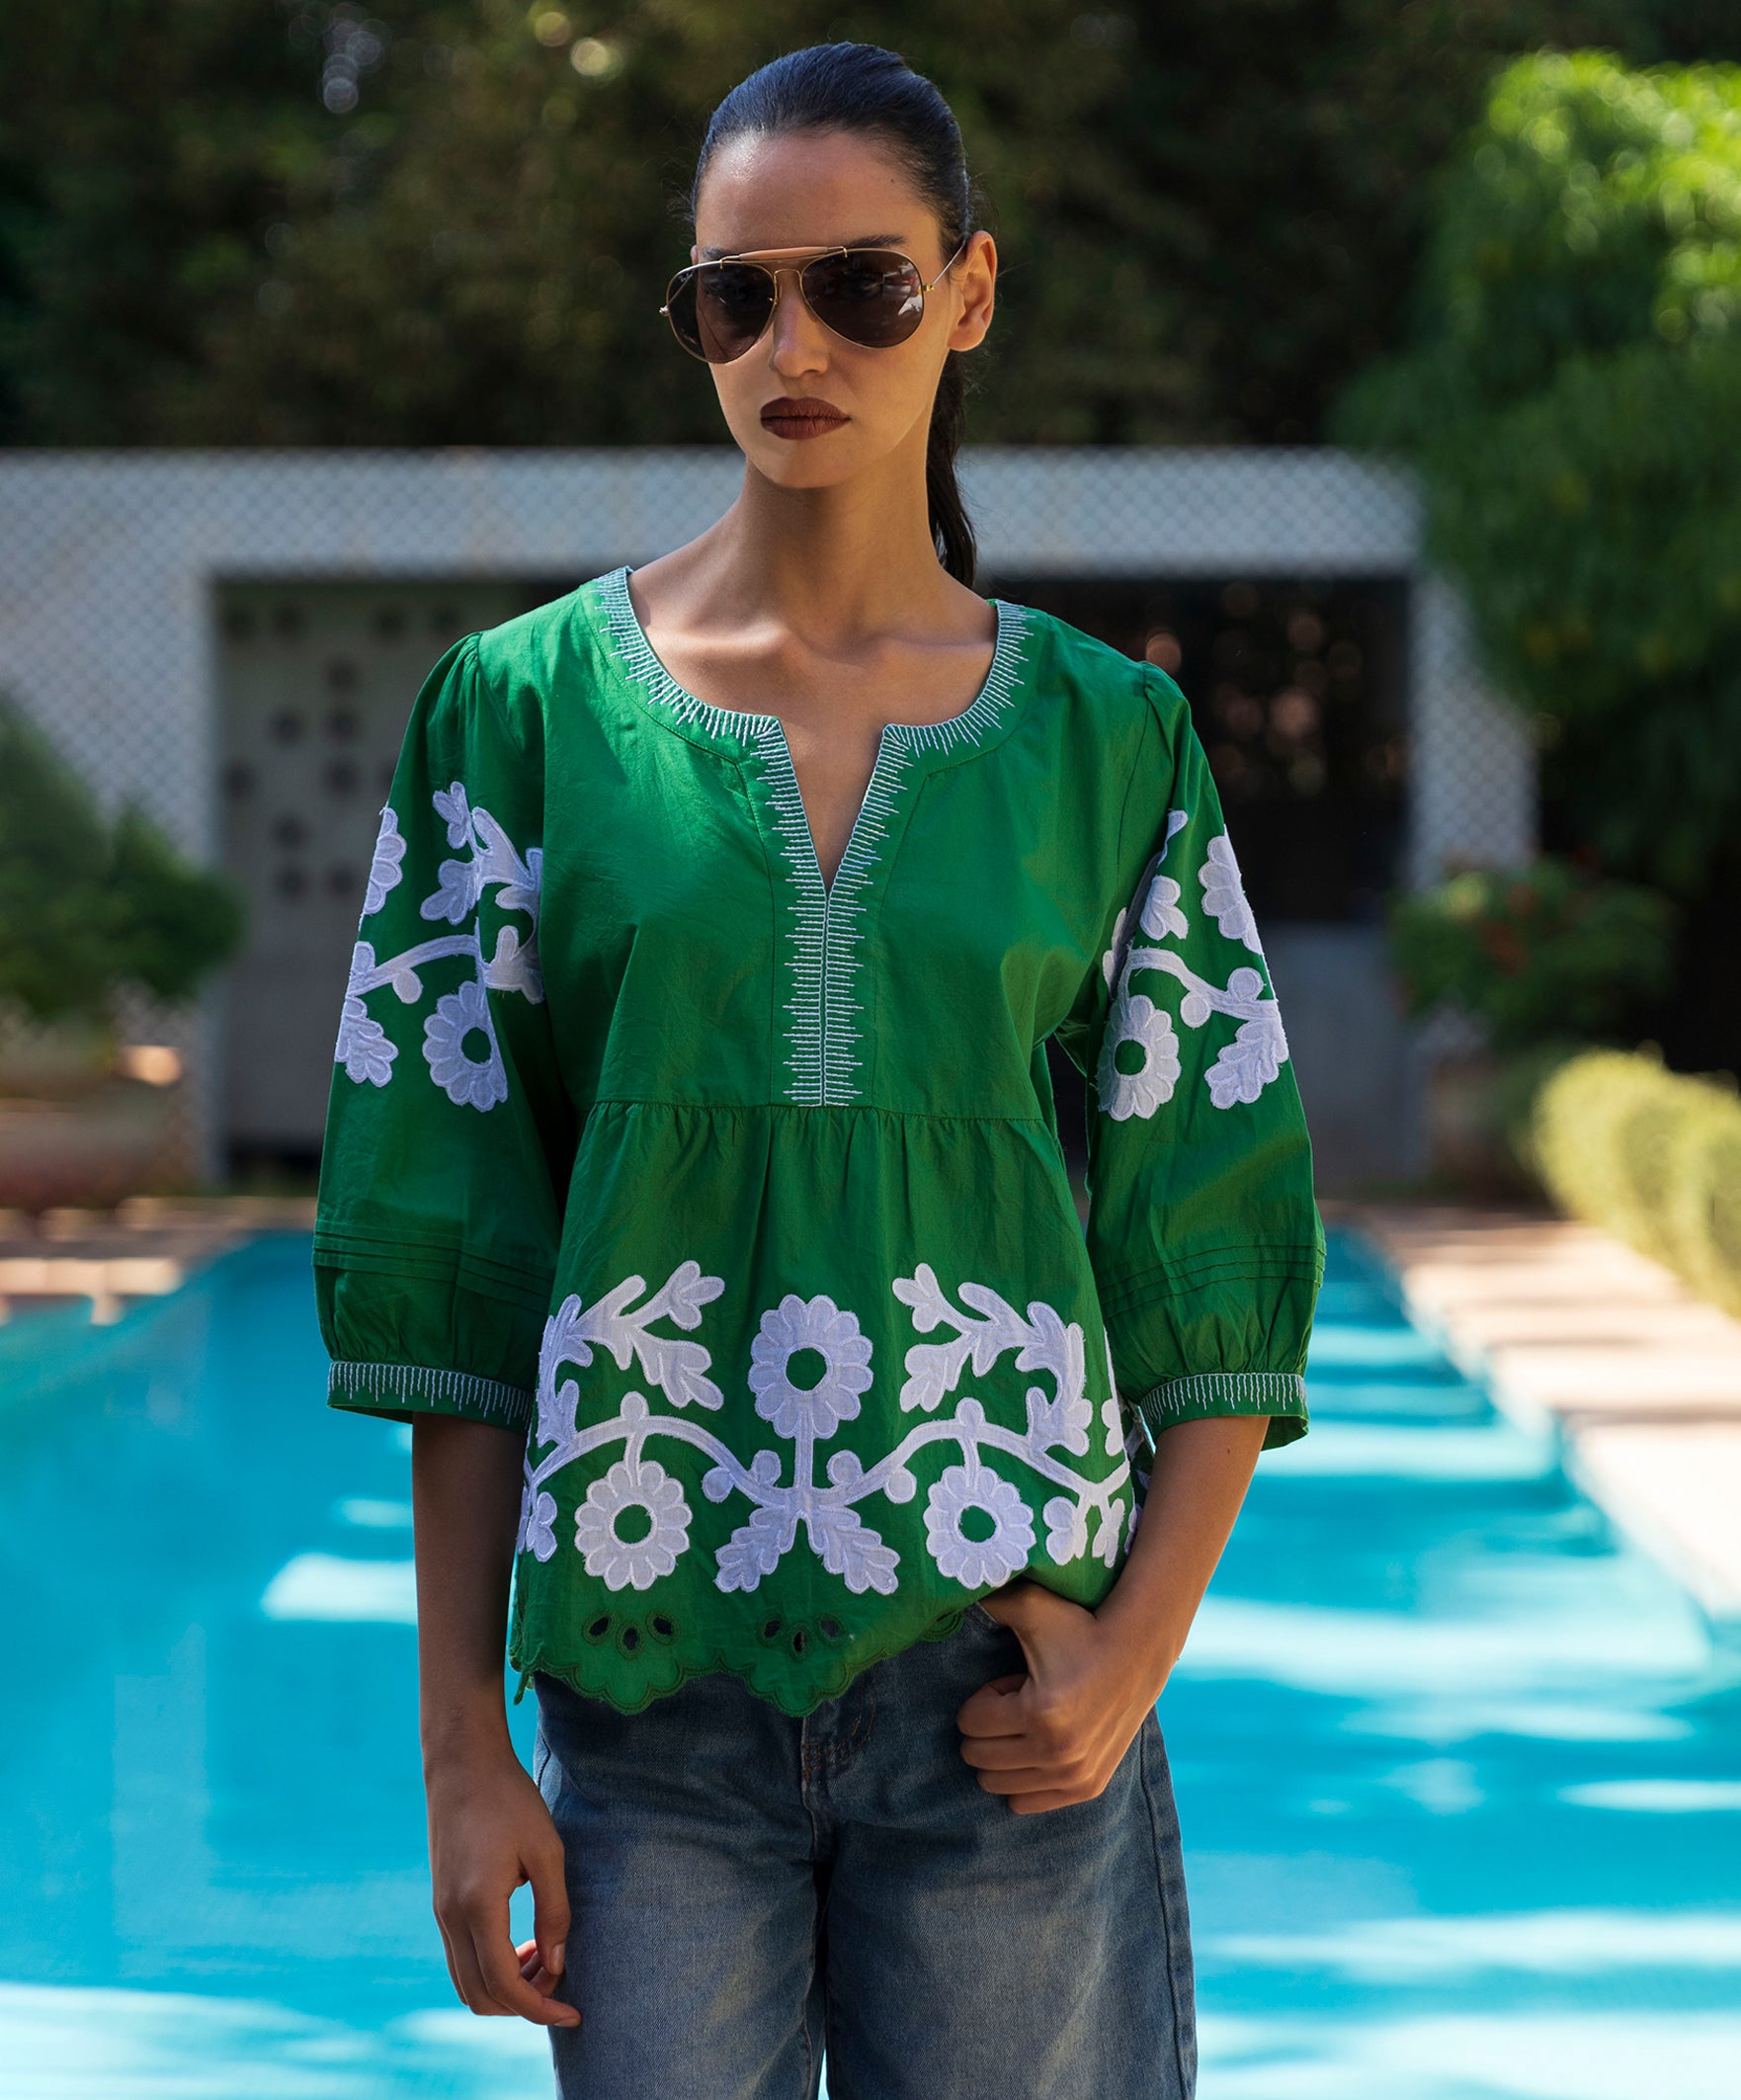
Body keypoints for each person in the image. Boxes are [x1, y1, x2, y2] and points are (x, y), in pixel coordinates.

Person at [311, 39, 1322, 2100]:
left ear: (964, 291)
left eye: (855, 287)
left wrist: (1133, 1658)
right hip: (639, 1689)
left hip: (1004, 1693)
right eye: (731, 296)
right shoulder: (508, 723)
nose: (792, 344)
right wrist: (457, 1751)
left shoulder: (1105, 743)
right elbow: (451, 1257)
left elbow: (1209, 1229)